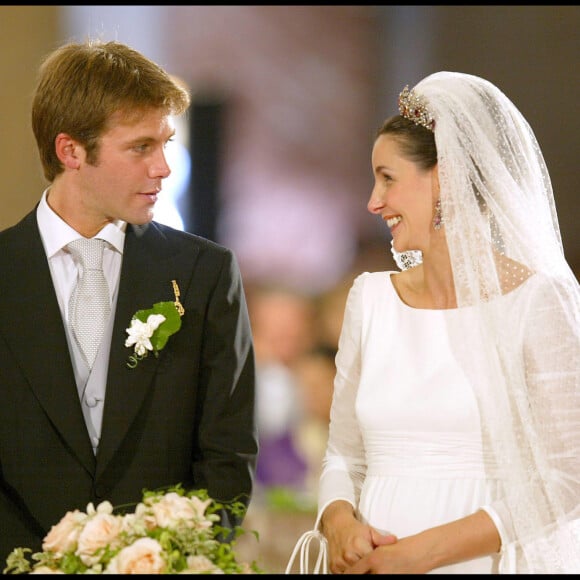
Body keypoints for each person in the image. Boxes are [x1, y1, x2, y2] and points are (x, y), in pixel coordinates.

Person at [0, 39, 258, 563]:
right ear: (70, 151)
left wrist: (179, 558)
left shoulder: (204, 274)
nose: (163, 167)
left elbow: (227, 456)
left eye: (166, 143)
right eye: (141, 147)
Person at [314, 72, 580, 573]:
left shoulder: (535, 302)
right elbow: (343, 457)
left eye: (387, 178)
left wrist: (421, 554)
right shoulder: (369, 298)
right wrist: (340, 521)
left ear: (446, 178)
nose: (373, 201)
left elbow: (567, 477)